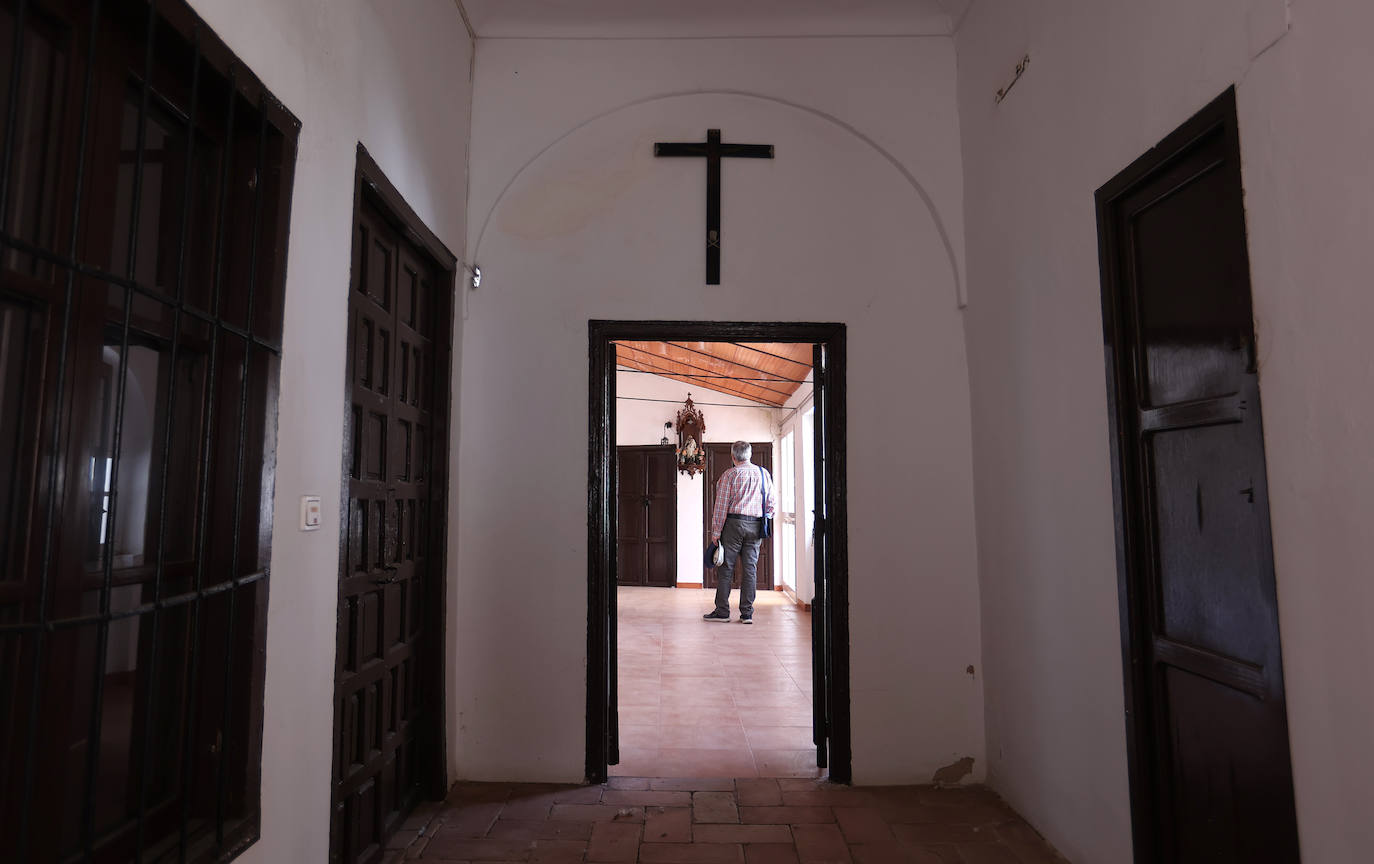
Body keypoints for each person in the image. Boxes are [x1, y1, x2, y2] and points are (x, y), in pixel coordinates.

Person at [703, 441, 776, 624]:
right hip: (756, 525)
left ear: (733, 456)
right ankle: (747, 614)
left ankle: (722, 612)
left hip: (734, 524)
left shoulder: (730, 474)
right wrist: (766, 516)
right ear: (749, 455)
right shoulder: (763, 473)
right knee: (750, 568)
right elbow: (772, 502)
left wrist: (716, 531)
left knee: (726, 567)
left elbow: (721, 506)